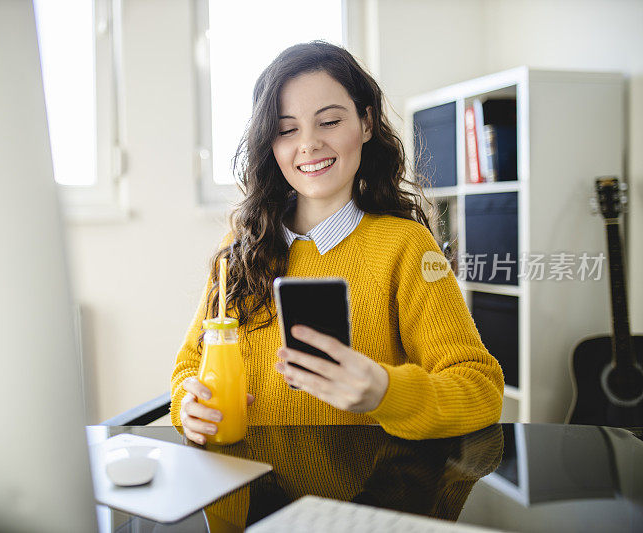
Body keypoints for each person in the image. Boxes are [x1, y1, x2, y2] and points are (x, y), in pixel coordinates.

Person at [170, 41, 503, 444]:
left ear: (365, 123)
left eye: (328, 121)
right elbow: (191, 365)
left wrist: (385, 391)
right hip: (243, 491)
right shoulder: (241, 246)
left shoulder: (406, 246)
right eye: (287, 129)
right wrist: (189, 405)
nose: (308, 143)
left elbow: (481, 389)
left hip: (362, 493)